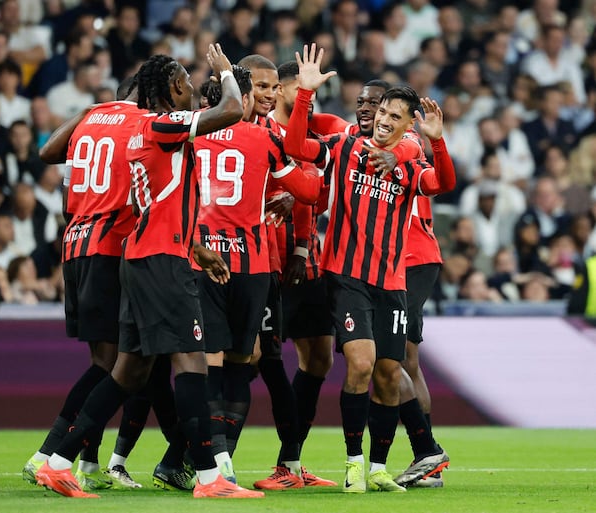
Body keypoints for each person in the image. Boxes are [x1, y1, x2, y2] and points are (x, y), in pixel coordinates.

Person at [33, 46, 263, 499]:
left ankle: (58, 462)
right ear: (173, 87)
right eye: (187, 80)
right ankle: (209, 478)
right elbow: (233, 110)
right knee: (192, 363)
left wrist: (196, 248)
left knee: (128, 373)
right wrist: (227, 74)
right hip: (161, 263)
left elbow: (164, 199)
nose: (194, 87)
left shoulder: (143, 131)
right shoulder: (162, 123)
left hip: (142, 258)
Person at [283, 44, 454, 493]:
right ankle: (355, 463)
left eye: (390, 113)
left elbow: (443, 182)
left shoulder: (411, 162)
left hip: (393, 283)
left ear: (405, 122)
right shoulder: (344, 146)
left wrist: (436, 140)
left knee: (387, 371)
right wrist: (304, 95)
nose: (378, 116)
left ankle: (380, 466)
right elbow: (295, 144)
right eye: (377, 110)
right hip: (348, 277)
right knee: (360, 362)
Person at [194, 65, 321, 485]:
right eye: (259, 89)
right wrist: (308, 176)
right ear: (242, 98)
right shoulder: (265, 137)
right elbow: (308, 192)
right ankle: (222, 461)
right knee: (242, 360)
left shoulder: (193, 136)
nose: (265, 96)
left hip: (204, 258)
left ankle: (209, 463)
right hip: (252, 263)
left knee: (208, 363)